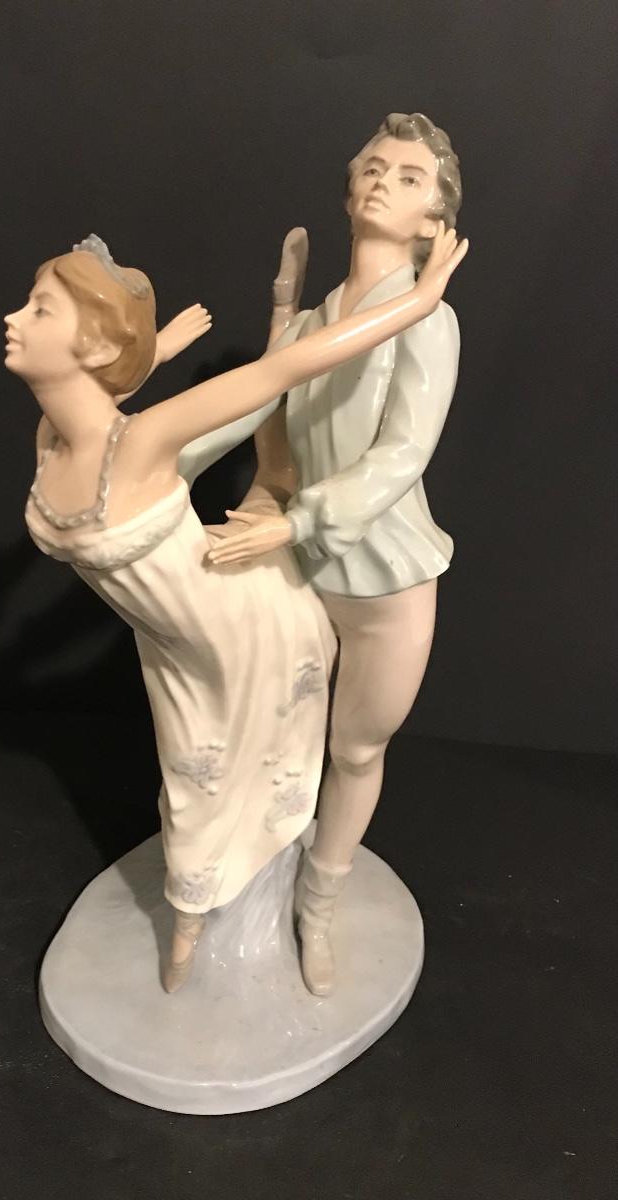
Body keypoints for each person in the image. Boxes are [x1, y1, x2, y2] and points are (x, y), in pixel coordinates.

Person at [3, 221, 467, 993]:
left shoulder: (144, 442)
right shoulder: (53, 437)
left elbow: (282, 372)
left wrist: (418, 302)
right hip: (173, 647)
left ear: (90, 346)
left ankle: (290, 907)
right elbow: (98, 386)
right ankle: (191, 919)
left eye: (39, 309)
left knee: (247, 782)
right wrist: (154, 351)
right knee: (190, 790)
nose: (13, 318)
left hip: (247, 628)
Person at [208, 112, 465, 996]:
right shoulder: (319, 318)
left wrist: (295, 523)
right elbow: (265, 417)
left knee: (355, 748)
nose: (383, 179)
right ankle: (247, 865)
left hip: (385, 576)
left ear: (434, 221)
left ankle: (318, 903)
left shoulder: (427, 319)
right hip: (301, 567)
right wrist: (284, 310)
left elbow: (402, 456)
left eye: (408, 176)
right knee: (274, 727)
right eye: (374, 166)